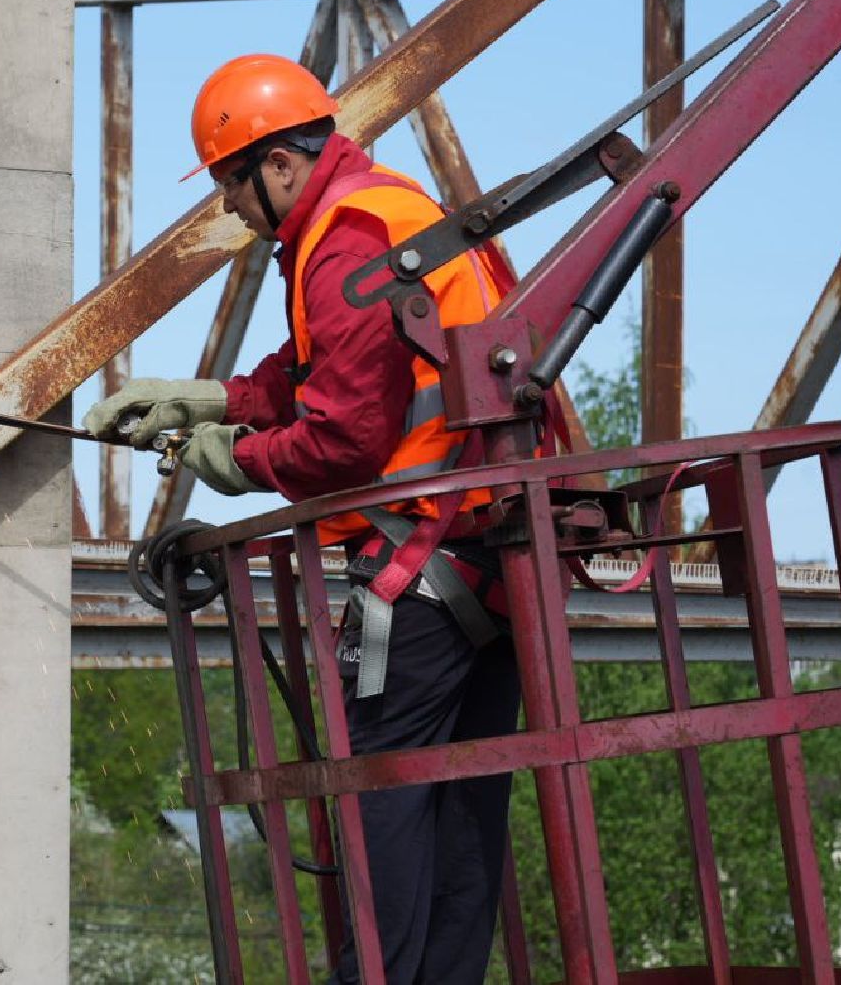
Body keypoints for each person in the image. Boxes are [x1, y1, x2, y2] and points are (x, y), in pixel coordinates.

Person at [83, 53, 522, 984]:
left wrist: (232, 460)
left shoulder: (345, 236)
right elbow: (320, 370)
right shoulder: (386, 208)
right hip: (488, 553)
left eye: (230, 185)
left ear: (277, 163)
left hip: (421, 568)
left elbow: (344, 441)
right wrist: (213, 401)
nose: (230, 209)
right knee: (459, 810)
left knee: (379, 803)